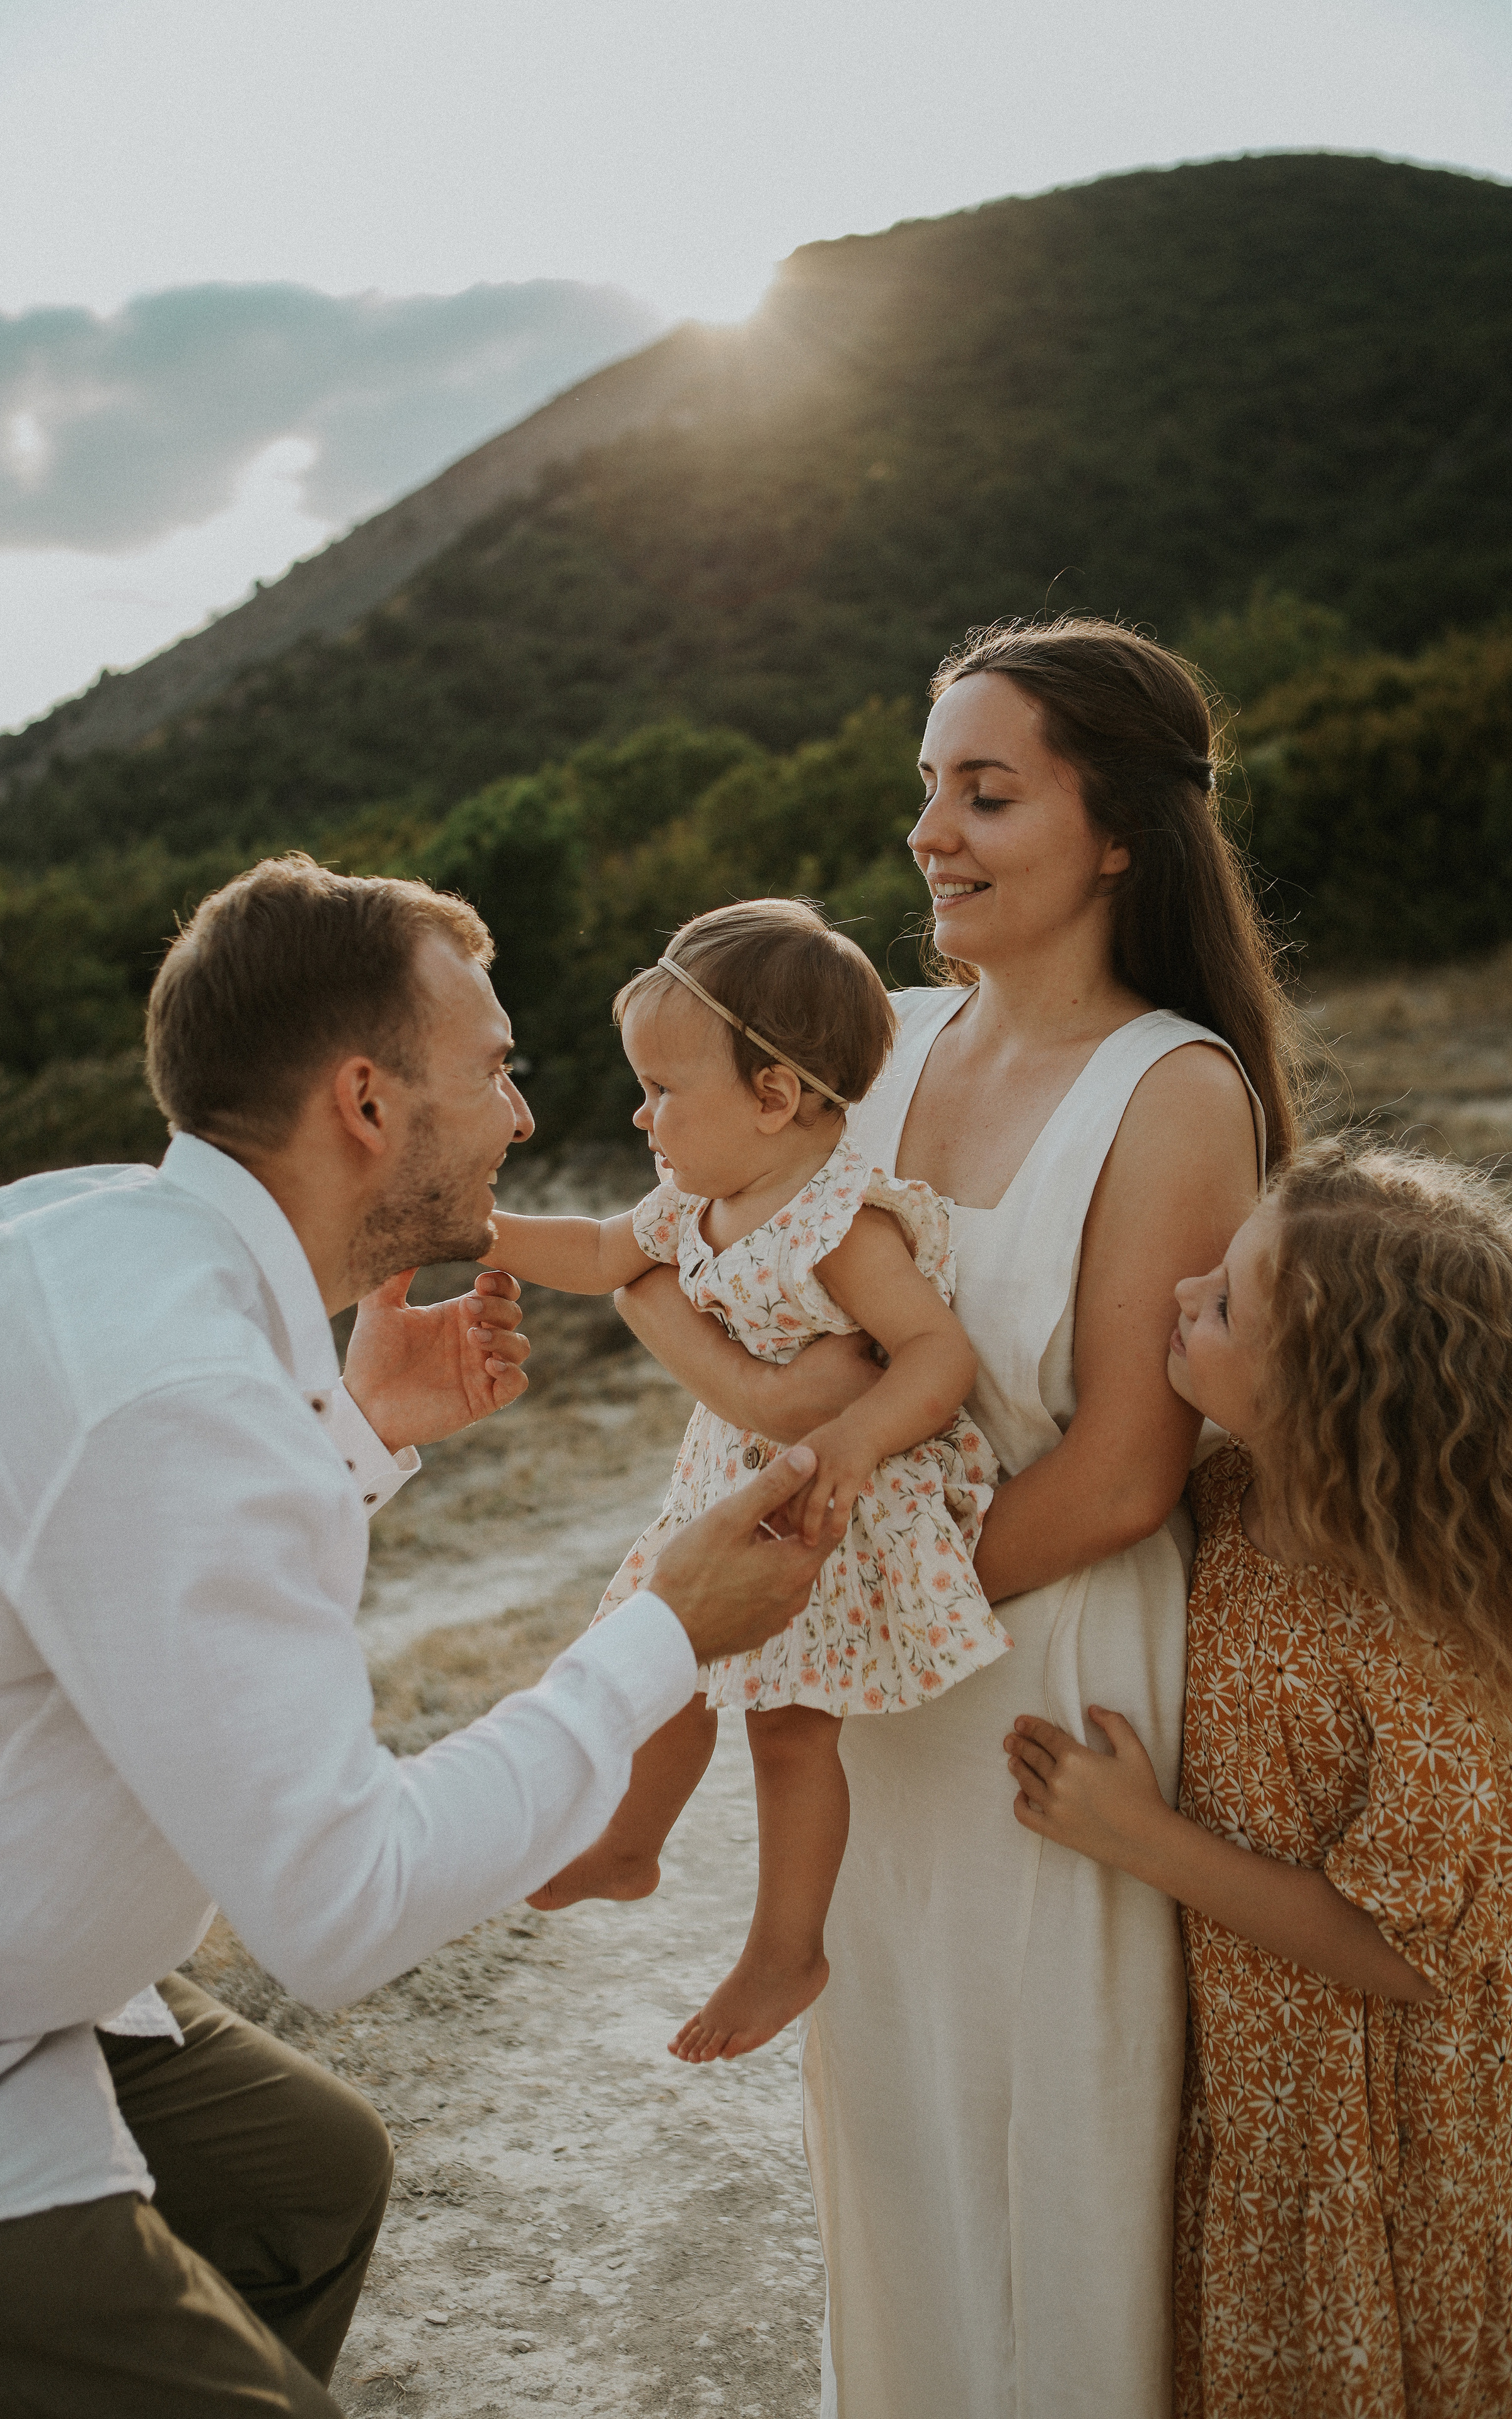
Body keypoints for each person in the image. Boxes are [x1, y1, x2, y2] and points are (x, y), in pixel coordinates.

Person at [0, 855, 845, 2419]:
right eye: (493, 1069)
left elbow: (111, 1583)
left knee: (305, 2174)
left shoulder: (89, 1233)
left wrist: (356, 1422)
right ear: (364, 1101)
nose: (523, 1118)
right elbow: (342, 1904)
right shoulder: (186, 1388)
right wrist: (661, 1629)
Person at [613, 616, 1293, 2415]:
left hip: (1046, 1683)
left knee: (1049, 2153)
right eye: (929, 788)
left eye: (987, 792)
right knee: (899, 2146)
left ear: (1121, 833)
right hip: (880, 1695)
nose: (935, 832)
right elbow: (758, 1284)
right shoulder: (883, 1046)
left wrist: (838, 1606)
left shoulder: (1176, 1087)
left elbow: (1132, 1467)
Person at [1005, 1138, 1512, 2416]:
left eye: (1224, 1301)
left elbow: (1409, 1951)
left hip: (1388, 2140)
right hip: (1259, 2106)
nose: (1180, 1292)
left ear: (1326, 1387)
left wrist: (1138, 1837)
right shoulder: (1223, 1493)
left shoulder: (1419, 1622)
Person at [482, 899, 1010, 2064]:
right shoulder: (690, 1204)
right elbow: (596, 1250)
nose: (641, 1110)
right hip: (726, 1490)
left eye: (665, 1087)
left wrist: (861, 1441)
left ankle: (786, 1946)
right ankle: (631, 1841)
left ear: (774, 1097)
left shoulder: (838, 1223)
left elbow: (937, 1355)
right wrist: (473, 1227)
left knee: (787, 1730)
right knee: (665, 1660)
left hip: (829, 1510)